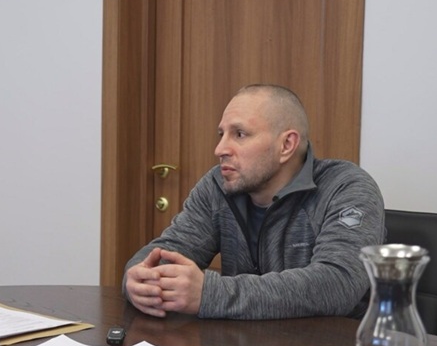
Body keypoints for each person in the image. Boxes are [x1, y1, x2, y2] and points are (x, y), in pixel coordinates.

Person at [124, 84, 384, 320]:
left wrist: (210, 294)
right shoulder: (218, 186)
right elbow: (168, 250)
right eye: (221, 134)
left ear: (286, 145)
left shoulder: (346, 187)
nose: (220, 149)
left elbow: (338, 283)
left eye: (239, 134)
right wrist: (139, 278)